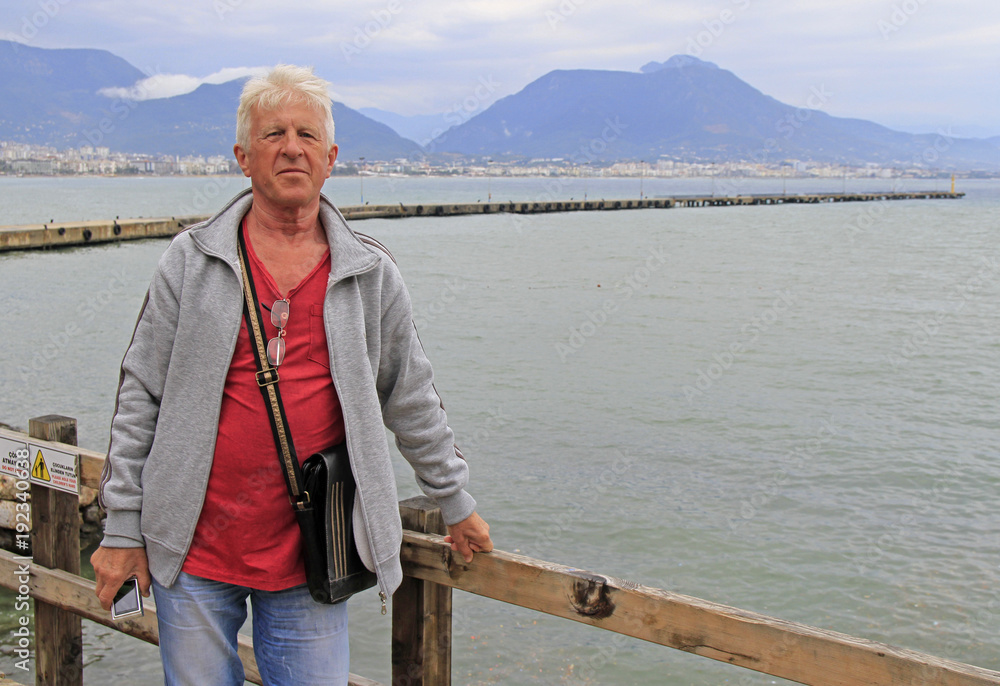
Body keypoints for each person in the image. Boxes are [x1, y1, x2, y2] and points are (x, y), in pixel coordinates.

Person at [91, 64, 493, 685]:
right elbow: (140, 394)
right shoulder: (191, 261)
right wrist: (121, 528)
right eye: (273, 133)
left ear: (331, 158)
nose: (291, 148)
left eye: (307, 135)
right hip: (192, 549)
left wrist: (454, 500)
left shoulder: (368, 274)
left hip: (314, 552)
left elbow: (409, 397)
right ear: (242, 157)